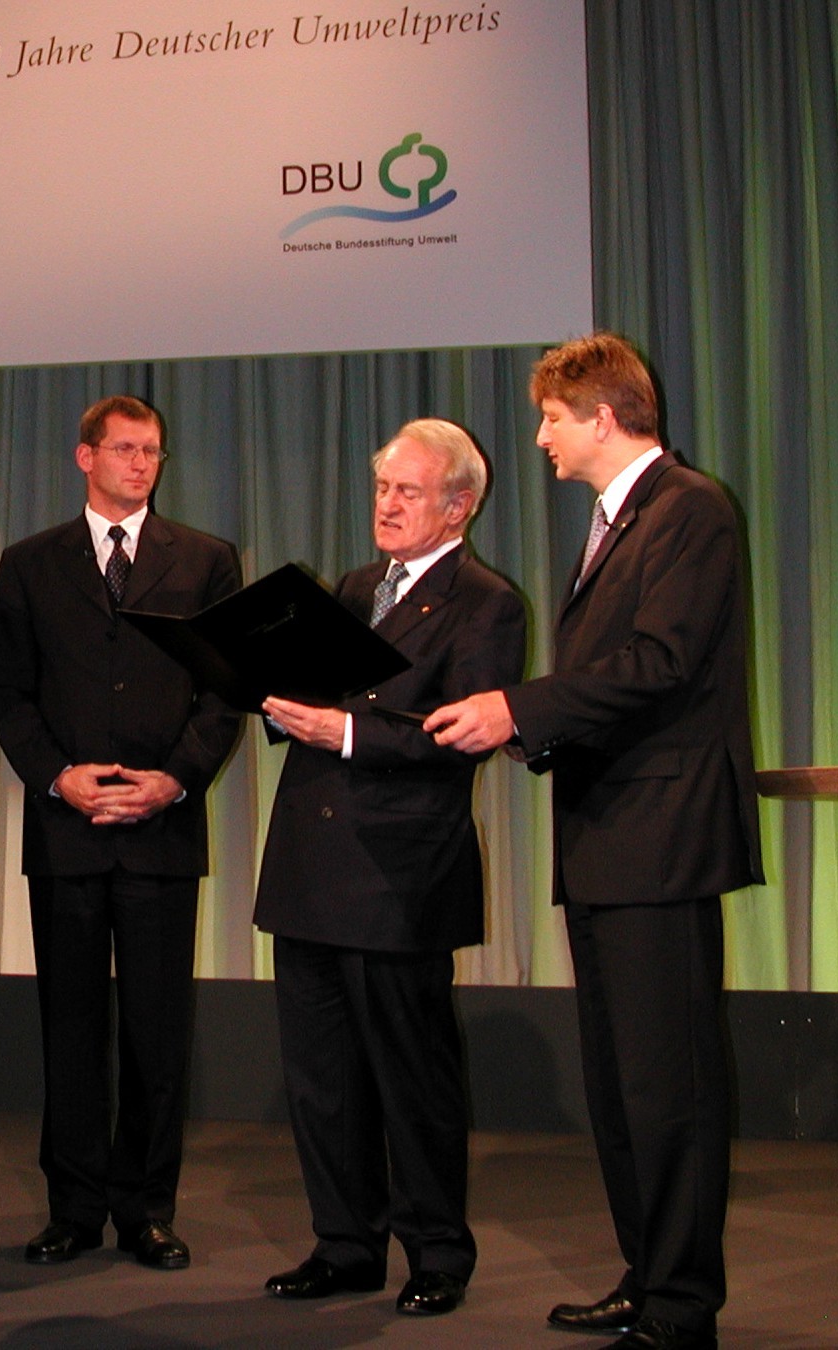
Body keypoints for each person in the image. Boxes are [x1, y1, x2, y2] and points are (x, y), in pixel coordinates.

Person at [426, 334, 764, 1350]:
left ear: (603, 418)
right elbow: (612, 680)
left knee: (669, 1086)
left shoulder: (688, 509)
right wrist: (532, 730)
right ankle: (646, 1276)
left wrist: (518, 709)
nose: (540, 439)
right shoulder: (619, 518)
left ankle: (683, 1305)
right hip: (610, 834)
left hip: (661, 836)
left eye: (551, 420)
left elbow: (660, 662)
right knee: (621, 1088)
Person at [253, 419, 525, 1319]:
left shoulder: (488, 603)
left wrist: (347, 732)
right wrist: (263, 686)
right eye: (381, 489)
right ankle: (345, 1245)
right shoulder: (354, 587)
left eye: (408, 491)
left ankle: (437, 1252)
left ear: (459, 505)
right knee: (321, 1078)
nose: (387, 504)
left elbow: (461, 739)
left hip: (400, 874)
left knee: (412, 1078)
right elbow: (317, 695)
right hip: (310, 862)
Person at [0, 395, 242, 1271]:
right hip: (68, 827)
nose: (141, 464)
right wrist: (57, 776)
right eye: (126, 449)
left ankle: (146, 1210)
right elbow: (7, 689)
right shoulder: (30, 563)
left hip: (162, 827)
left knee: (157, 1031)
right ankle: (73, 1208)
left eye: (153, 451)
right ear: (85, 456)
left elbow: (225, 693)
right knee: (71, 1026)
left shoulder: (205, 560)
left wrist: (176, 778)